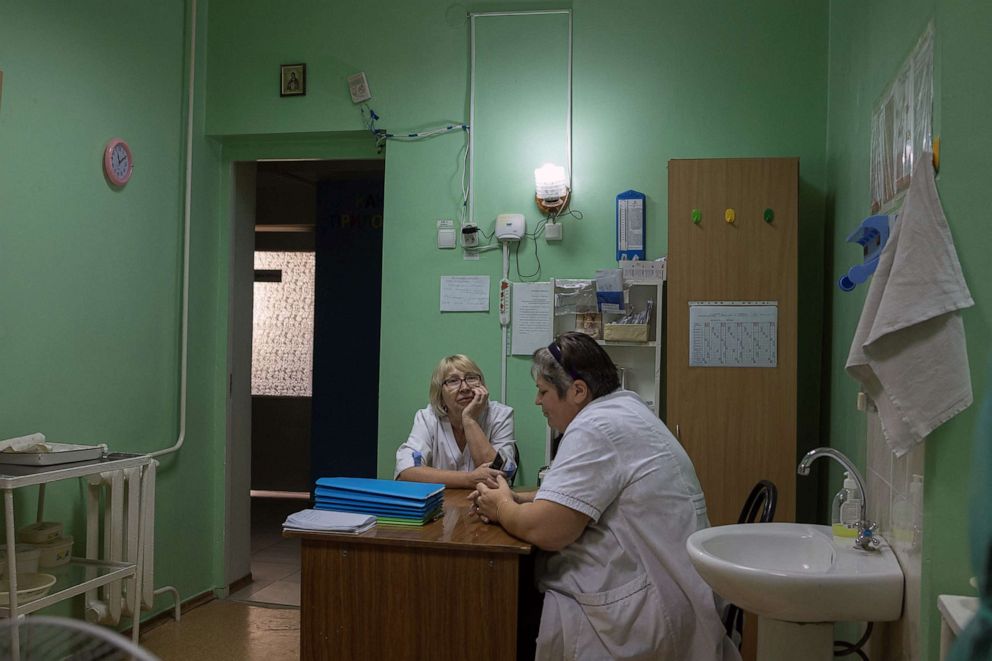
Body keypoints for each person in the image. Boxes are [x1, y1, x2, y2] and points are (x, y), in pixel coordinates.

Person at [472, 332, 739, 660]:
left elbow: (549, 531)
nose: (537, 402)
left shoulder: (596, 427)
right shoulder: (625, 407)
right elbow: (589, 492)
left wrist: (501, 505)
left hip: (652, 607)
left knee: (512, 604)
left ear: (578, 390)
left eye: (543, 391)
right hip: (677, 585)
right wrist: (522, 499)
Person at [394, 354, 516, 489]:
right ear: (440, 394)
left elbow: (498, 475)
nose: (465, 387)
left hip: (489, 503)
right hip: (442, 504)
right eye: (453, 381)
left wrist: (469, 420)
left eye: (471, 378)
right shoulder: (427, 418)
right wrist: (469, 479)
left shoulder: (501, 415)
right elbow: (405, 471)